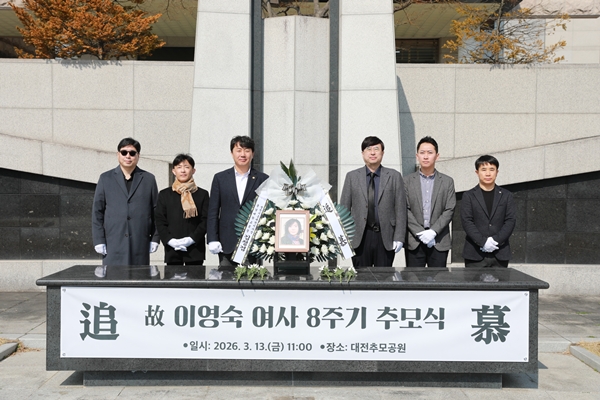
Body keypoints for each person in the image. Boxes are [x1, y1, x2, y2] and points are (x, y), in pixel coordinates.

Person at [340, 136, 407, 267]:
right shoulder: (352, 177)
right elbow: (344, 209)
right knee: (361, 276)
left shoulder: (394, 176)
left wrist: (399, 237)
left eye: (376, 149)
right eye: (368, 149)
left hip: (385, 236)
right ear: (362, 153)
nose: (372, 153)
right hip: (359, 236)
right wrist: (343, 238)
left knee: (384, 277)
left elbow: (401, 209)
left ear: (382, 153)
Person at [92, 137, 159, 265]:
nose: (128, 156)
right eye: (124, 152)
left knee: (139, 276)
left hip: (140, 242)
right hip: (113, 242)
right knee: (113, 277)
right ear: (118, 154)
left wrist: (155, 238)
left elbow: (156, 211)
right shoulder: (105, 178)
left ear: (138, 156)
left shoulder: (149, 179)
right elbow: (97, 212)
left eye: (132, 153)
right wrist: (99, 240)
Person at [207, 136, 269, 268]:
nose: (243, 154)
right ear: (232, 153)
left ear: (252, 154)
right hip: (226, 243)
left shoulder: (262, 179)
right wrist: (212, 239)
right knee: (225, 278)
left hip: (253, 243)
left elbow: (268, 211)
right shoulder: (220, 178)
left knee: (251, 279)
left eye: (247, 150)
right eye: (239, 150)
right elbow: (213, 211)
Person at [404, 136, 456, 268]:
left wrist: (433, 231)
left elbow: (449, 209)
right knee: (414, 279)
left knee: (439, 279)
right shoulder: (406, 181)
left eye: (430, 152)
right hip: (414, 241)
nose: (426, 156)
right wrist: (419, 232)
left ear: (437, 156)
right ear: (417, 156)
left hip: (439, 241)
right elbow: (404, 209)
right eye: (422, 153)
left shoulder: (447, 181)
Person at [460, 155, 516, 268]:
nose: (488, 174)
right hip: (474, 253)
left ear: (497, 172)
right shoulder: (468, 196)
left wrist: (495, 241)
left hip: (500, 252)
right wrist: (483, 242)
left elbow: (510, 221)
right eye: (484, 170)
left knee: (501, 280)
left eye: (492, 169)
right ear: (477, 172)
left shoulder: (507, 195)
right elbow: (467, 221)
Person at [155, 154, 209, 266]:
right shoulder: (165, 194)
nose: (183, 170)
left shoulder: (202, 194)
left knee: (195, 277)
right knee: (172, 277)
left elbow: (206, 220)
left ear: (193, 170)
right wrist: (170, 240)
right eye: (179, 167)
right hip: (172, 250)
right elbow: (160, 220)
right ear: (174, 171)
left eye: (187, 167)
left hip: (195, 250)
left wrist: (192, 239)